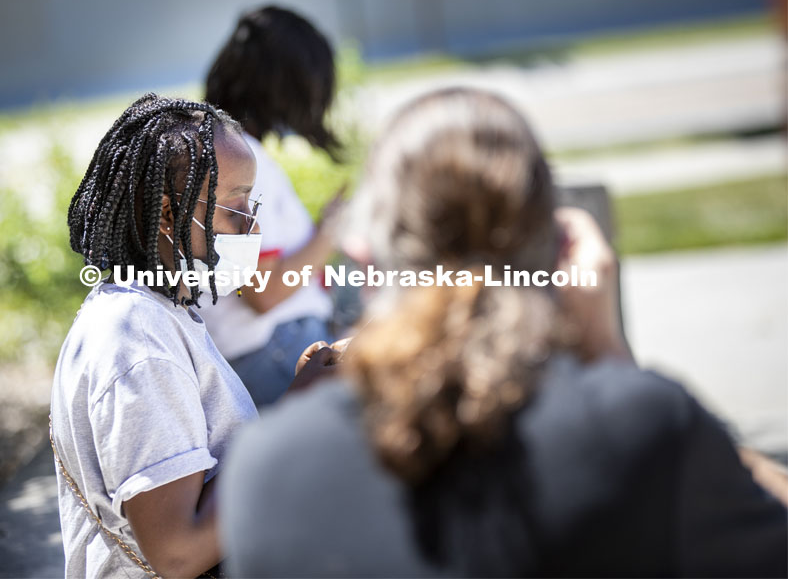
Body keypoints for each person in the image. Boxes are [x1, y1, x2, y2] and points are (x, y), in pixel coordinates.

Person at [219, 88, 788, 577]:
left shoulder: (264, 472)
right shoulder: (643, 427)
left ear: (363, 259)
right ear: (561, 249)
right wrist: (605, 350)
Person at [50, 94, 333, 578]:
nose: (254, 226)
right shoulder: (136, 342)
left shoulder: (160, 313)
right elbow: (178, 553)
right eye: (234, 206)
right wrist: (297, 409)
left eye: (253, 203)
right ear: (166, 214)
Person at [200, 5, 345, 407]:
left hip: (266, 350)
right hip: (273, 352)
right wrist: (331, 229)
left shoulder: (224, 148)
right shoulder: (245, 161)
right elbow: (263, 292)